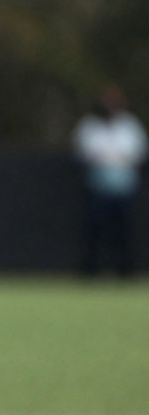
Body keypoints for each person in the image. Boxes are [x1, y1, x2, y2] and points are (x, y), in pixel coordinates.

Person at [73, 84, 146, 278]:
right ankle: (91, 271)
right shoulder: (89, 126)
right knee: (95, 231)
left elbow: (137, 153)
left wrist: (112, 156)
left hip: (124, 187)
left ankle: (126, 272)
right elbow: (87, 153)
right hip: (98, 188)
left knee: (125, 232)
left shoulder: (130, 126)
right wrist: (112, 157)